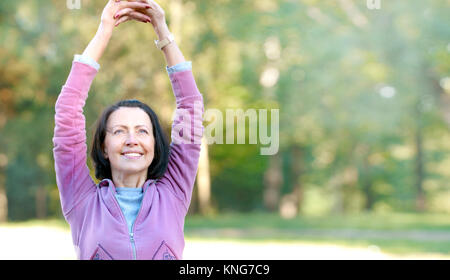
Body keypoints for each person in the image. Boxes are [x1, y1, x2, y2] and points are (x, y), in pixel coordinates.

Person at [53, 0, 203, 260]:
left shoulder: (173, 194)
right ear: (104, 146)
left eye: (143, 131)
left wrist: (163, 33)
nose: (132, 139)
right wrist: (104, 30)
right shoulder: (82, 201)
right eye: (119, 131)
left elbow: (191, 109)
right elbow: (68, 110)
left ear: (155, 145)